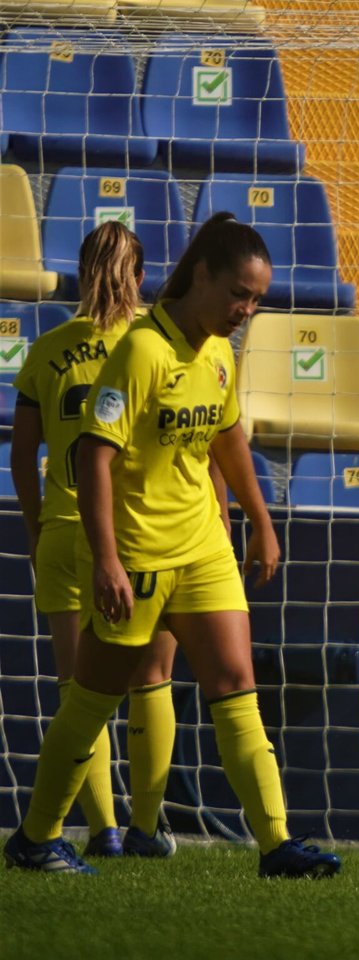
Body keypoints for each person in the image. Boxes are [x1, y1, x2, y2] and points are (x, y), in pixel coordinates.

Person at [3, 213, 340, 878]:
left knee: (235, 685)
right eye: (240, 293)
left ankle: (276, 845)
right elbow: (94, 460)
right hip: (139, 557)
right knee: (93, 698)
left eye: (258, 299)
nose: (246, 310)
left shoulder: (218, 350)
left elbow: (228, 438)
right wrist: (106, 560)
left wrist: (259, 521)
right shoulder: (141, 352)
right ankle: (37, 837)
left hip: (202, 549)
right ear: (203, 275)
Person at [10, 222, 199, 860]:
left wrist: (38, 532)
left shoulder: (48, 349)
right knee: (151, 679)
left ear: (78, 271)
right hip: (143, 538)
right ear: (141, 276)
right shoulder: (156, 345)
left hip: (65, 535)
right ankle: (146, 828)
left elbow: (20, 456)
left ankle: (104, 831)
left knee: (78, 691)